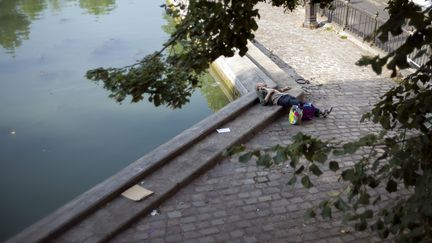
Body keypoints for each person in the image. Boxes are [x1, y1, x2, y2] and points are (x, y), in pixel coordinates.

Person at [255, 82, 332, 118]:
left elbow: (277, 92)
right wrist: (269, 93)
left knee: (302, 103)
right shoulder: (261, 91)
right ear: (258, 86)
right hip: (280, 99)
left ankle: (319, 112)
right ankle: (315, 113)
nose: (264, 83)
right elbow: (263, 102)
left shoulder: (268, 89)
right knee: (298, 103)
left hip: (284, 96)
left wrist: (284, 89)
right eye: (261, 83)